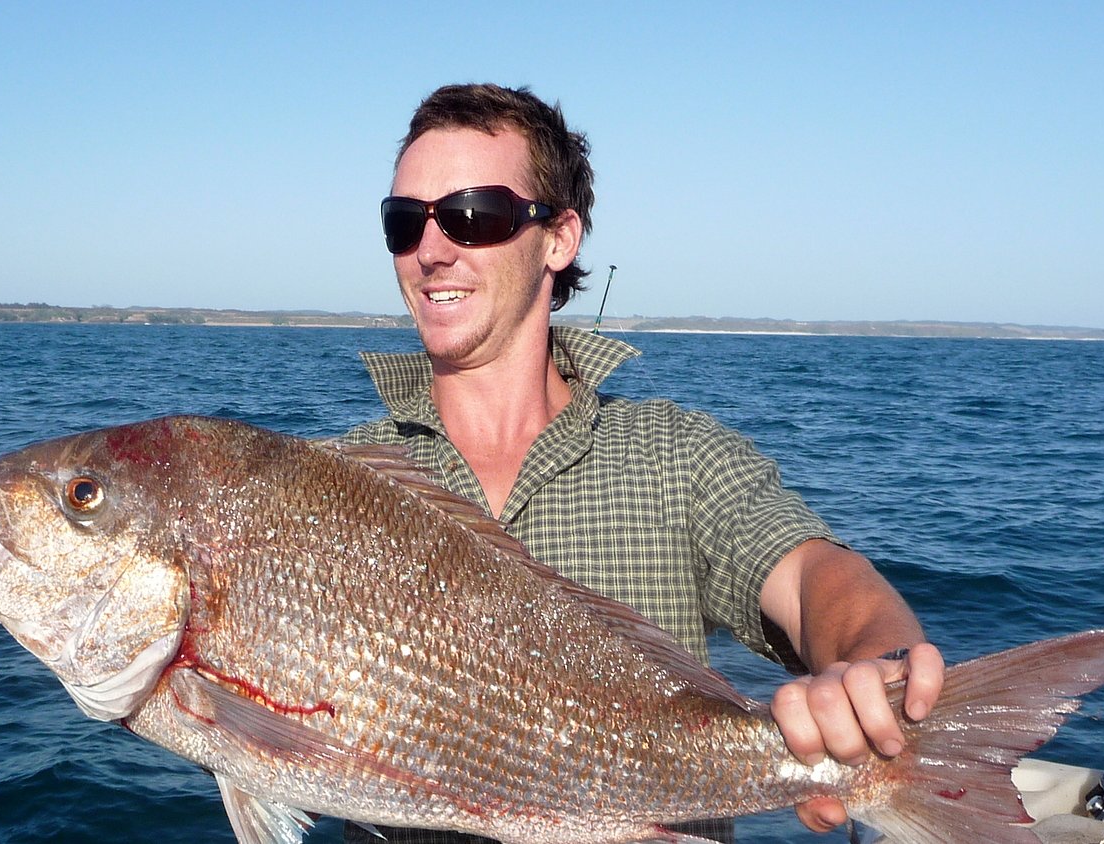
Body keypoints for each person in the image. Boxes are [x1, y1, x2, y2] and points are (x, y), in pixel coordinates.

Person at [339, 83, 944, 843]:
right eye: (404, 223)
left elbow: (813, 577)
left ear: (559, 238)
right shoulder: (339, 481)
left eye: (473, 215)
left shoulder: (676, 458)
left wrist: (871, 668)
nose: (431, 251)